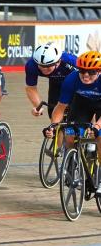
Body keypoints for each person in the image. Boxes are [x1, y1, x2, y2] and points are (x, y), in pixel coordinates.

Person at [44, 51, 101, 194]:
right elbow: (60, 107)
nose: (86, 75)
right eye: (82, 71)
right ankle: (71, 162)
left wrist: (97, 126)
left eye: (91, 72)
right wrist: (53, 126)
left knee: (99, 137)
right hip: (82, 103)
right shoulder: (72, 79)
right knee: (70, 132)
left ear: (99, 72)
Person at [25, 41, 77, 118]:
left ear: (58, 62)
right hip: (55, 82)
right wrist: (38, 106)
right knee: (53, 114)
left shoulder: (70, 61)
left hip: (75, 82)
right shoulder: (32, 65)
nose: (44, 69)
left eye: (48, 66)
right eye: (41, 66)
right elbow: (31, 88)